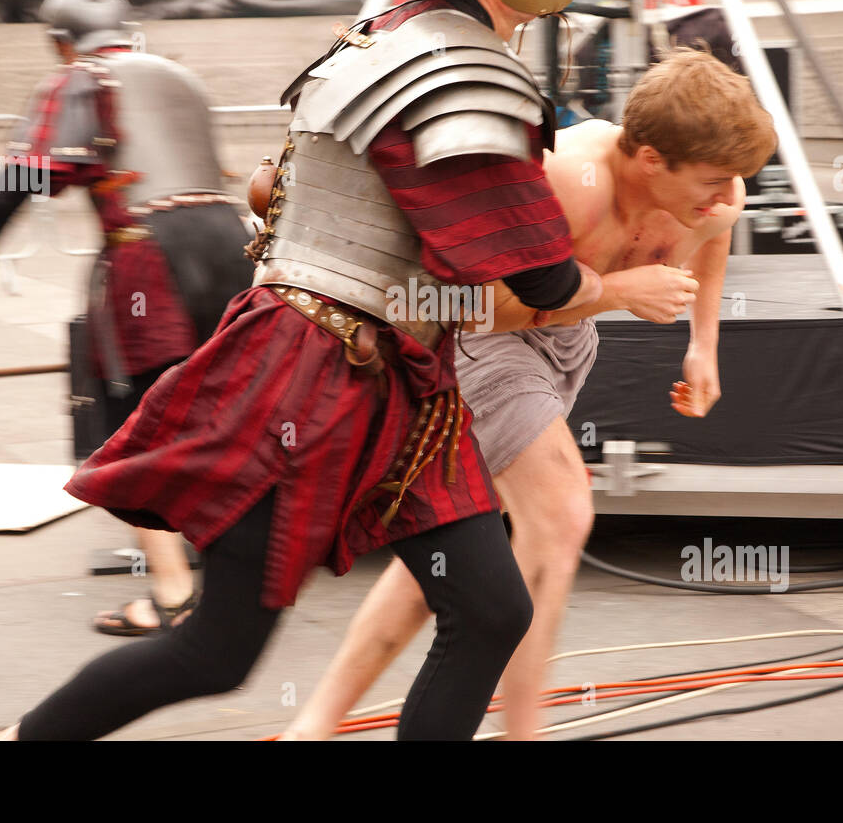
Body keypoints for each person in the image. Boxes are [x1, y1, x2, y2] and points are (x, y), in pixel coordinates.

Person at [0, 0, 603, 742]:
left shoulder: (381, 37)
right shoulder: (454, 65)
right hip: (311, 371)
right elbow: (544, 278)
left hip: (392, 376)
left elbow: (281, 187)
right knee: (220, 650)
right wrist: (616, 284)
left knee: (488, 608)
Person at [283, 48, 777, 740]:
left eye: (736, 183)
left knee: (456, 545)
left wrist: (704, 344)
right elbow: (468, 306)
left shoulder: (716, 192)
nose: (727, 197)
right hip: (487, 339)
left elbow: (717, 231)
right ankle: (522, 732)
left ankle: (316, 721)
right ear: (651, 161)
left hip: (566, 345)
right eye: (714, 181)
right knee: (561, 515)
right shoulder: (564, 181)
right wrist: (615, 291)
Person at [0, 0, 254, 636]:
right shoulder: (178, 74)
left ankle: (174, 593)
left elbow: (20, 180)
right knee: (219, 402)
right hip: (231, 241)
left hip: (150, 249)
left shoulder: (79, 78)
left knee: (134, 416)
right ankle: (237, 555)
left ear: (61, 41)